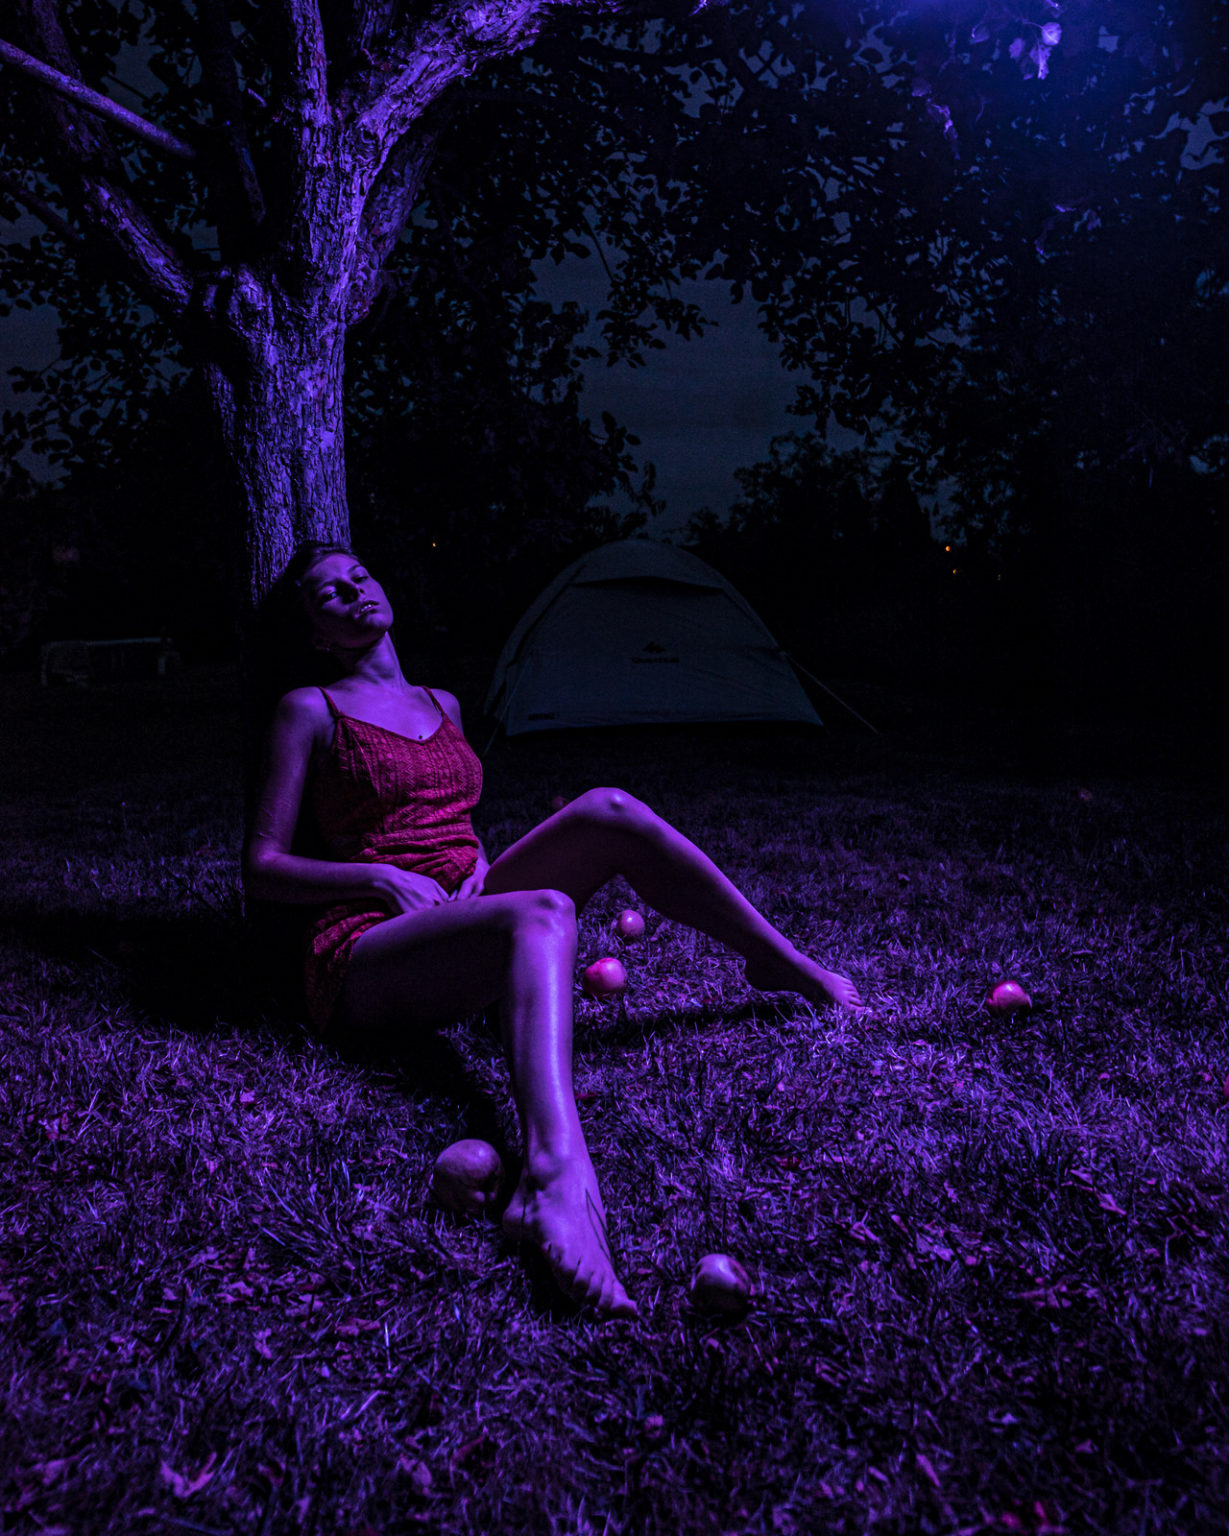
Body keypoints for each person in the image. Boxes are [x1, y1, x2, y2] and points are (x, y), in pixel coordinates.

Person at [245, 541, 868, 1320]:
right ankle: (551, 1178)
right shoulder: (309, 710)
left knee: (609, 807)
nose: (354, 591)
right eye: (331, 594)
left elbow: (449, 819)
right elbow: (261, 867)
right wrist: (376, 877)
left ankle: (779, 963)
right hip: (368, 944)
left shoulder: (444, 704)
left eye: (359, 575)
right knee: (543, 908)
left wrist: (477, 862)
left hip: (462, 904)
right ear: (317, 633)